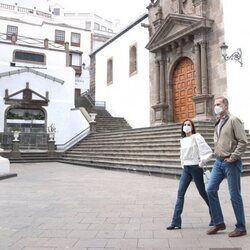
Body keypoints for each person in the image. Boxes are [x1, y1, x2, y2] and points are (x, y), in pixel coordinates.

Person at [206, 97, 247, 237]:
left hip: (231, 163)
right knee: (210, 189)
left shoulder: (233, 120)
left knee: (234, 195)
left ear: (225, 105)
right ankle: (218, 222)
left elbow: (243, 141)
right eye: (215, 104)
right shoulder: (218, 122)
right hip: (218, 162)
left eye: (218, 104)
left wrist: (233, 157)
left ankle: (241, 227)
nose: (215, 106)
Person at [167, 119, 213, 230]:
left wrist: (201, 162)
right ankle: (176, 222)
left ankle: (215, 216)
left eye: (189, 124)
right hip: (186, 169)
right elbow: (182, 155)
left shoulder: (197, 136)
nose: (186, 126)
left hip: (196, 168)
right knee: (180, 194)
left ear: (192, 127)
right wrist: (183, 165)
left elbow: (207, 151)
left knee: (202, 193)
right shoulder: (182, 140)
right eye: (185, 125)